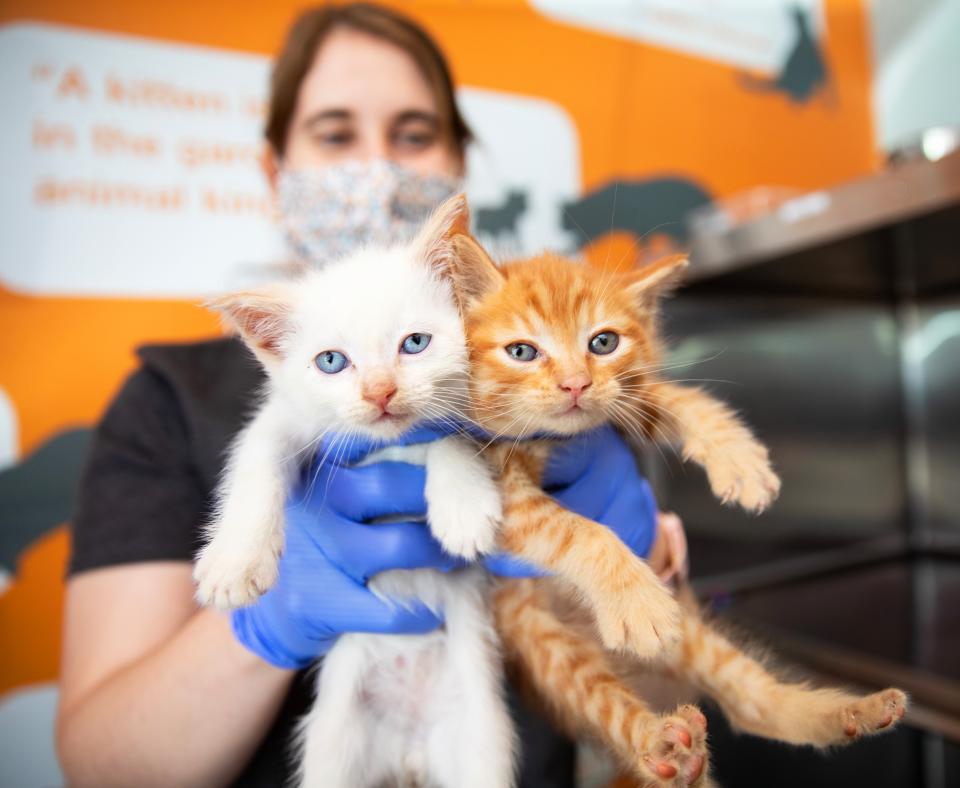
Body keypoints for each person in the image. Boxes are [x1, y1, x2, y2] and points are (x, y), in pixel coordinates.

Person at [55, 4, 685, 786]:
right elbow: (103, 769)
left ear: (459, 166)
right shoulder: (166, 401)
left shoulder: (547, 376)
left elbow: (656, 709)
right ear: (273, 172)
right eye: (335, 134)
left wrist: (644, 569)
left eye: (415, 135)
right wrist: (265, 625)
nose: (380, 166)